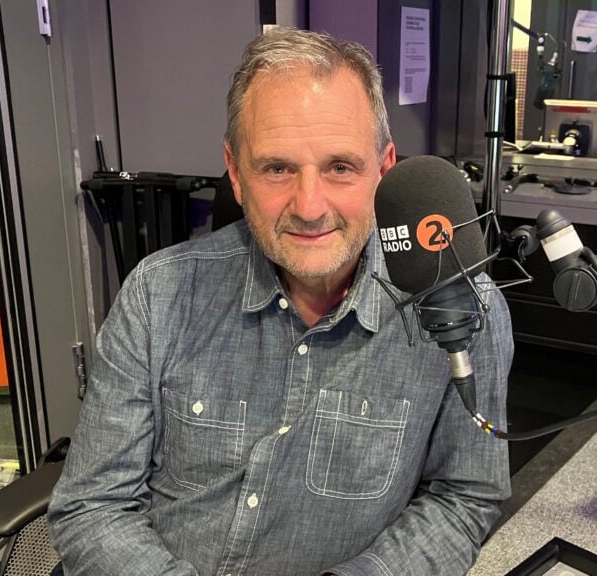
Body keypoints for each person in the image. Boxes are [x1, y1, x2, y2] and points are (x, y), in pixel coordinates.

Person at [48, 28, 513, 576]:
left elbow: (463, 499)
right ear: (237, 173)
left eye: (341, 167)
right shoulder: (158, 294)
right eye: (277, 168)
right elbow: (91, 505)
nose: (310, 206)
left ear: (384, 171)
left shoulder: (461, 309)